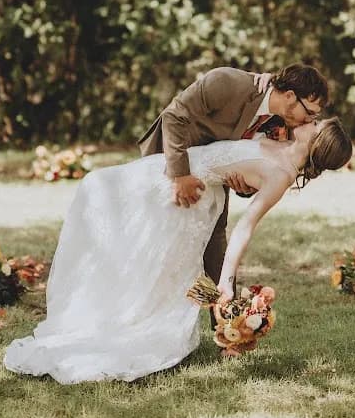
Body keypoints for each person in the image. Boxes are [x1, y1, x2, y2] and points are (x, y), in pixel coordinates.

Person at [3, 114, 352, 384]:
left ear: (318, 140)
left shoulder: (282, 175)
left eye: (317, 123)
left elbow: (246, 227)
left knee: (123, 226)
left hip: (185, 197)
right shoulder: (280, 141)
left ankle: (115, 324)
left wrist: (226, 281)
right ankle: (102, 311)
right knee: (103, 198)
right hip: (175, 175)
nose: (311, 120)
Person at [138, 64, 328, 326]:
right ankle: (147, 320)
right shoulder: (226, 82)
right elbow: (174, 116)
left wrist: (245, 187)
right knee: (159, 248)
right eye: (309, 113)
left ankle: (229, 328)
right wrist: (179, 175)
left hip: (211, 183)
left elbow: (249, 161)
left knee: (216, 242)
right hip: (168, 165)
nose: (308, 121)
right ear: (289, 95)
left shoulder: (278, 123)